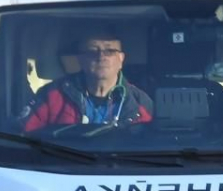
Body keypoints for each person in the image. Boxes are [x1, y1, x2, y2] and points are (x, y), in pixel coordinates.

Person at [23, 29, 154, 132]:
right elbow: (26, 135)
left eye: (109, 51)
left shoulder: (140, 102)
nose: (101, 56)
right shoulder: (51, 95)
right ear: (81, 59)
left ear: (121, 59)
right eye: (92, 51)